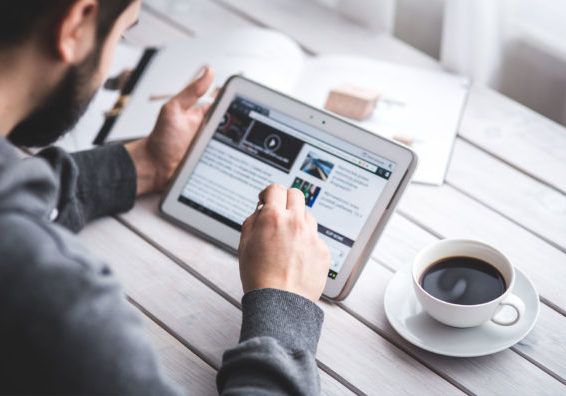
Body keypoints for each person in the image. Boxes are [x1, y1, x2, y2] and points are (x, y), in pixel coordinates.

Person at [0, 0, 331, 394]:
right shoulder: (54, 300)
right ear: (76, 24)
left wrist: (143, 164)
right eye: (122, 33)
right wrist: (283, 302)